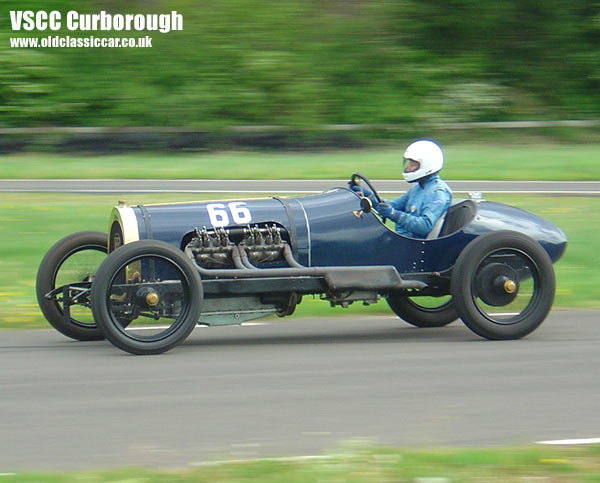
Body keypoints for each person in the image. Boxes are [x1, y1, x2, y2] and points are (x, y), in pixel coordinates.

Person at [353, 140, 452, 238]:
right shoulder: (418, 188)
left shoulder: (437, 192)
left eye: (412, 165)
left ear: (427, 165)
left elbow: (425, 226)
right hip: (402, 238)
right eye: (409, 165)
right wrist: (368, 196)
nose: (408, 169)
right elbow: (391, 206)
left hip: (414, 245)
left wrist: (394, 214)